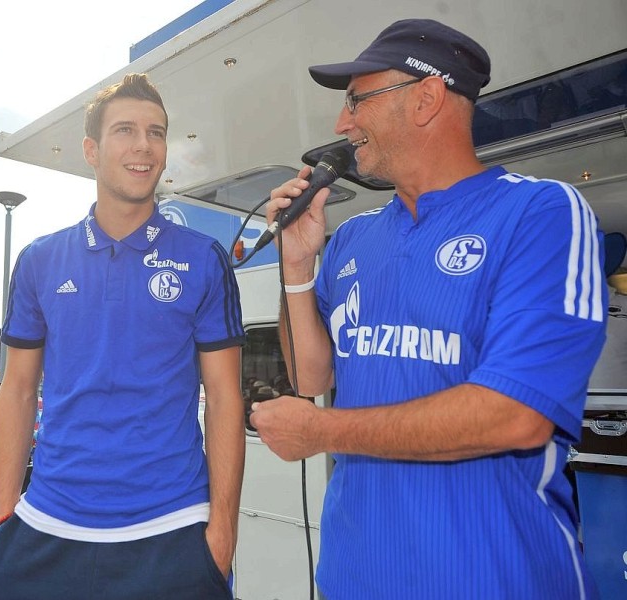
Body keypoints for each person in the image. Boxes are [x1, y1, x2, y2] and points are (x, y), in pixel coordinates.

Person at [249, 19, 607, 599]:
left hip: (494, 579)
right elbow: (311, 375)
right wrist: (297, 266)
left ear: (427, 98)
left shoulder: (538, 212)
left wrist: (321, 430)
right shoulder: (353, 238)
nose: (342, 124)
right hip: (355, 577)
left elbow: (515, 416)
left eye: (357, 101)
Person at [0, 73, 245, 600]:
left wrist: (222, 534)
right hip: (45, 530)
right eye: (125, 130)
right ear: (91, 150)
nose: (143, 145)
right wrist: (2, 514)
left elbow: (224, 397)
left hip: (173, 530)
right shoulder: (39, 260)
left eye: (156, 132)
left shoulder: (203, 258)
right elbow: (16, 388)